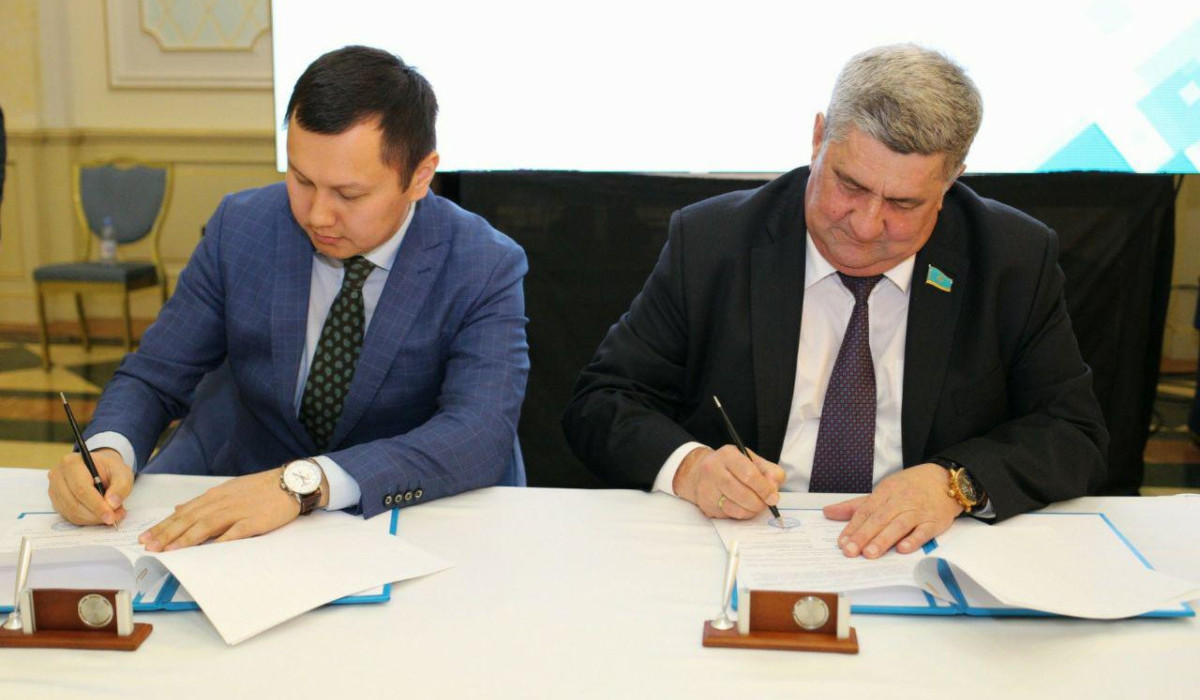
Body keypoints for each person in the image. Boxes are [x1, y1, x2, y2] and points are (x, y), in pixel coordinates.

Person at [562, 44, 1108, 559]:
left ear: (951, 182)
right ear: (819, 137)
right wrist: (691, 468)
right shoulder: (713, 243)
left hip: (929, 553)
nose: (866, 226)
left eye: (902, 204)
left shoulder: (1011, 259)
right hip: (744, 543)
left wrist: (953, 483)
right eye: (850, 185)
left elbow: (1073, 433)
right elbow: (603, 402)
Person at [48, 46, 530, 550]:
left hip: (408, 509)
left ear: (420, 176)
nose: (317, 215)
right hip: (238, 479)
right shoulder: (242, 226)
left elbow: (478, 432)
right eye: (301, 180)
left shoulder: (482, 263)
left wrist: (306, 484)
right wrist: (108, 451)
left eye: (348, 195)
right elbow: (155, 374)